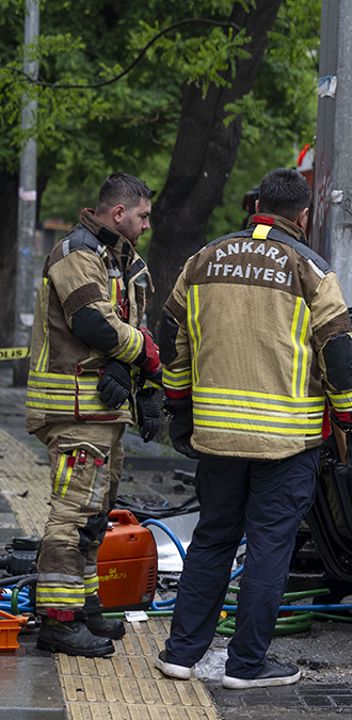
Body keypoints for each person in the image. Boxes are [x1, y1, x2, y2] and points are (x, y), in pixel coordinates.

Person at [155, 169, 352, 689]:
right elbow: (341, 360)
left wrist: (180, 410)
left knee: (212, 540)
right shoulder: (311, 272)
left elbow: (171, 335)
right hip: (286, 441)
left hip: (216, 436)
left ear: (256, 205)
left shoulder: (202, 262)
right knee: (270, 547)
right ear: (302, 216)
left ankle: (180, 654)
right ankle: (247, 666)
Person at [26, 173, 162, 657]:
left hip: (102, 410)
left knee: (93, 518)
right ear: (119, 213)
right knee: (71, 516)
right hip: (73, 408)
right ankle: (58, 624)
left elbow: (124, 325)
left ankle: (84, 609)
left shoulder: (118, 261)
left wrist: (138, 385)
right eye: (143, 216)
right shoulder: (76, 255)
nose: (147, 225)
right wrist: (144, 354)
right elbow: (91, 321)